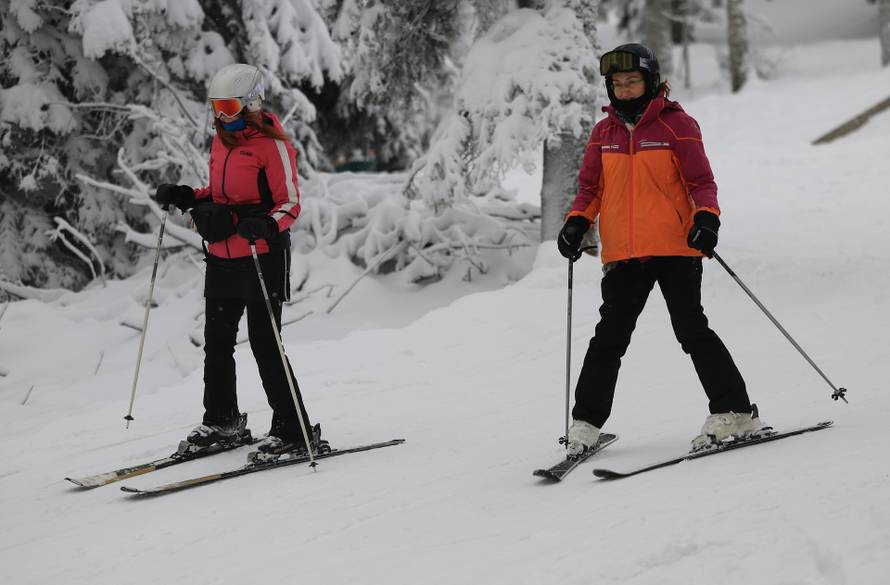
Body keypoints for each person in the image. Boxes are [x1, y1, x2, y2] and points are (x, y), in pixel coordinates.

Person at [557, 44, 764, 457]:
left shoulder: (676, 124)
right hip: (624, 252)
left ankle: (736, 410)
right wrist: (578, 220)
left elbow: (700, 182)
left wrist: (706, 218)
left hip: (676, 247)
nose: (625, 90)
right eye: (617, 83)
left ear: (650, 81)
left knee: (691, 329)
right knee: (608, 338)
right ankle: (587, 423)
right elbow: (591, 189)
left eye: (632, 81)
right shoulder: (604, 132)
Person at [153, 63, 328, 462]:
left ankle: (293, 429)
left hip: (261, 256)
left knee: (265, 344)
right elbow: (219, 192)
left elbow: (290, 203)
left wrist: (266, 224)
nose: (221, 116)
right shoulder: (220, 142)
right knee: (217, 342)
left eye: (229, 106)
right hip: (221, 257)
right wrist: (188, 195)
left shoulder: (273, 145)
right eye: (216, 107)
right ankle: (222, 421)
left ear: (251, 103)